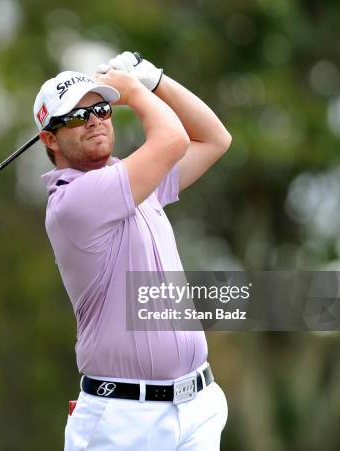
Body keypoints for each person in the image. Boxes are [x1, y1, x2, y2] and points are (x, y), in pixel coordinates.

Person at [34, 51, 232, 450]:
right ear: (50, 139)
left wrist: (153, 77)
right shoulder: (75, 202)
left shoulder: (132, 181)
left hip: (197, 407)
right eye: (75, 117)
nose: (94, 121)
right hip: (124, 422)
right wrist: (133, 92)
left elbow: (214, 139)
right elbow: (173, 139)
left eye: (102, 110)